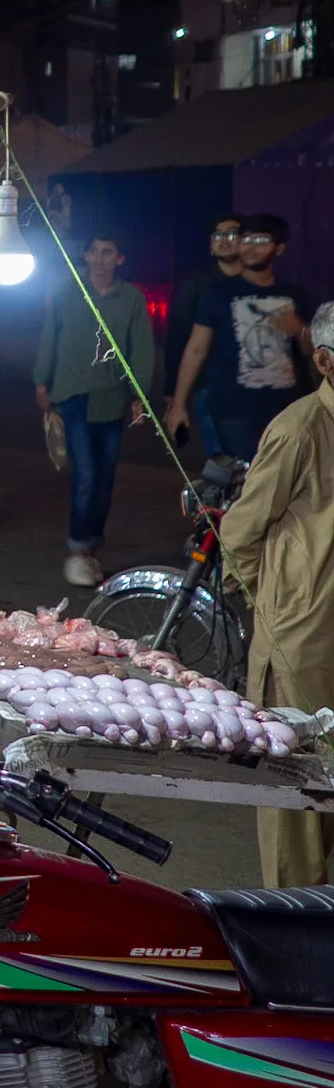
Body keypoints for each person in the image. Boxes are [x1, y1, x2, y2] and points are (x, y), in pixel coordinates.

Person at [219, 301, 334, 887]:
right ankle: (298, 924)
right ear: (324, 361)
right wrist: (275, 599)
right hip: (303, 630)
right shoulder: (298, 429)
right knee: (297, 772)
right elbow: (239, 532)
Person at [32, 229, 155, 588]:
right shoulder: (67, 292)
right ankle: (77, 549)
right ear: (84, 256)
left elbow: (141, 349)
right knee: (85, 472)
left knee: (105, 478)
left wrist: (140, 395)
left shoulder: (130, 298)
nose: (100, 259)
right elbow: (49, 336)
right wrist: (42, 381)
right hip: (72, 394)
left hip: (112, 398)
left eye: (108, 252)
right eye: (94, 251)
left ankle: (91, 546)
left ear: (120, 259)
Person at [164, 213, 312, 463]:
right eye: (246, 239)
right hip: (234, 410)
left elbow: (313, 351)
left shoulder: (294, 295)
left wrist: (299, 329)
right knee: (245, 485)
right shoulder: (217, 294)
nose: (251, 247)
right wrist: (178, 403)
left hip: (289, 409)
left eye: (261, 240)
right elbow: (196, 348)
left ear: (279, 248)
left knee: (287, 484)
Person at [164, 214, 244, 457]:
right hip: (210, 387)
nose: (224, 240)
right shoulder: (198, 285)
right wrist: (174, 396)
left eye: (232, 234)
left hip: (253, 389)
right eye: (218, 235)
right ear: (210, 245)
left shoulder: (258, 283)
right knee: (222, 463)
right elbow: (179, 337)